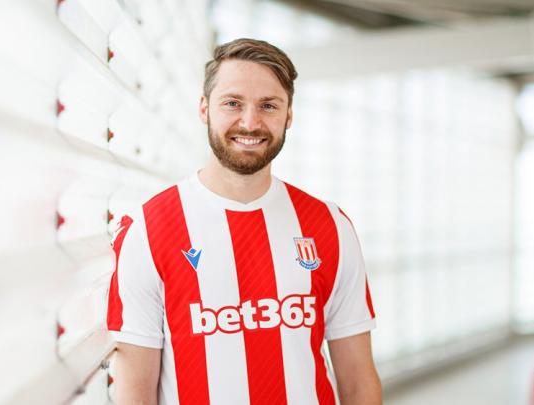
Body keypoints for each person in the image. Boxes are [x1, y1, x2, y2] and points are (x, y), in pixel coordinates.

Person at [106, 38, 381, 405]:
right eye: (232, 103)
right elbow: (135, 393)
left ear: (289, 115)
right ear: (204, 108)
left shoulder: (329, 225)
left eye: (268, 105)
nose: (250, 123)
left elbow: (358, 381)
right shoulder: (148, 230)